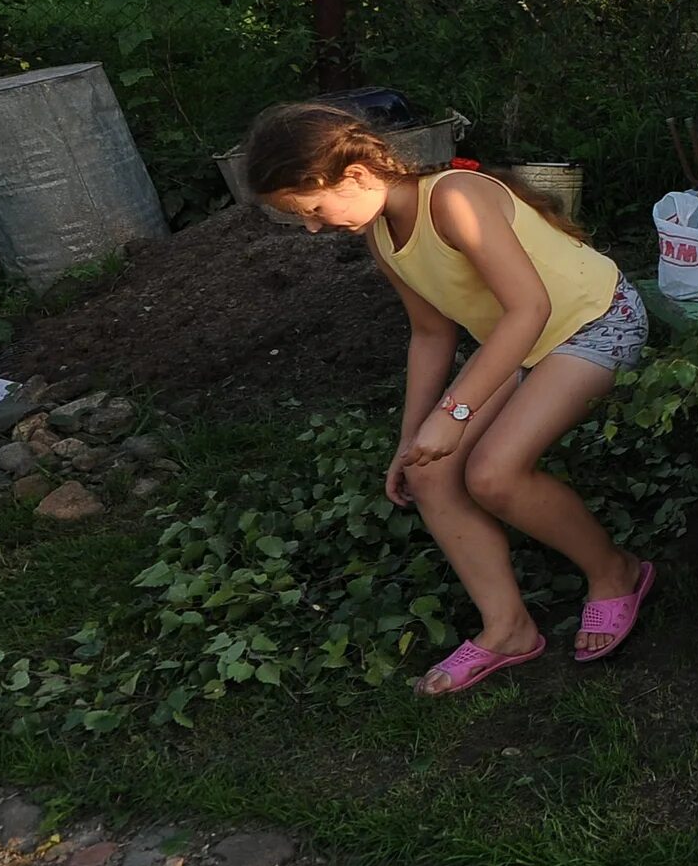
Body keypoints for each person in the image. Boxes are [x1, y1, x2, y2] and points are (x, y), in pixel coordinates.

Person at [245, 103, 658, 694]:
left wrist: (455, 411)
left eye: (311, 209)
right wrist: (412, 441)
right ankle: (508, 626)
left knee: (493, 475)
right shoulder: (382, 237)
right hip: (522, 346)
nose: (313, 228)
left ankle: (614, 570)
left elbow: (531, 308)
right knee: (431, 476)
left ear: (357, 175)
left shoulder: (455, 197)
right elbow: (432, 334)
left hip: (594, 323)